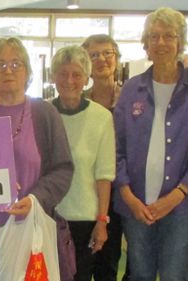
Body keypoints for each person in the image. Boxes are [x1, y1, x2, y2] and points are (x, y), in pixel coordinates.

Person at [0, 37, 74, 281]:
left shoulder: (45, 114)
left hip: (30, 232)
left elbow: (63, 169)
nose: (7, 71)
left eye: (15, 64)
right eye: (0, 65)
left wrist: (35, 198)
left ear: (27, 71)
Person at [114, 7, 188, 280]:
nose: (161, 43)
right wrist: (127, 195)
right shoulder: (131, 90)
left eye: (168, 36)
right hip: (136, 205)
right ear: (145, 44)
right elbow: (116, 149)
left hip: (180, 208)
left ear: (180, 42)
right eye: (154, 37)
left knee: (173, 275)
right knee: (140, 274)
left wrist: (178, 194)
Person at [50, 45, 116, 281]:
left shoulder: (102, 118)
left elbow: (104, 175)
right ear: (52, 76)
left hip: (85, 220)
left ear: (87, 79)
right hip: (48, 217)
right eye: (62, 73)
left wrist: (102, 222)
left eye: (76, 74)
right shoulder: (42, 113)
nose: (69, 80)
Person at [82, 34, 127, 281]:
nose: (101, 59)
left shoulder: (130, 101)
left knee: (108, 263)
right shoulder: (78, 102)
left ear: (117, 58)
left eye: (107, 53)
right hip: (85, 194)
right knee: (80, 261)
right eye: (94, 55)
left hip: (121, 193)